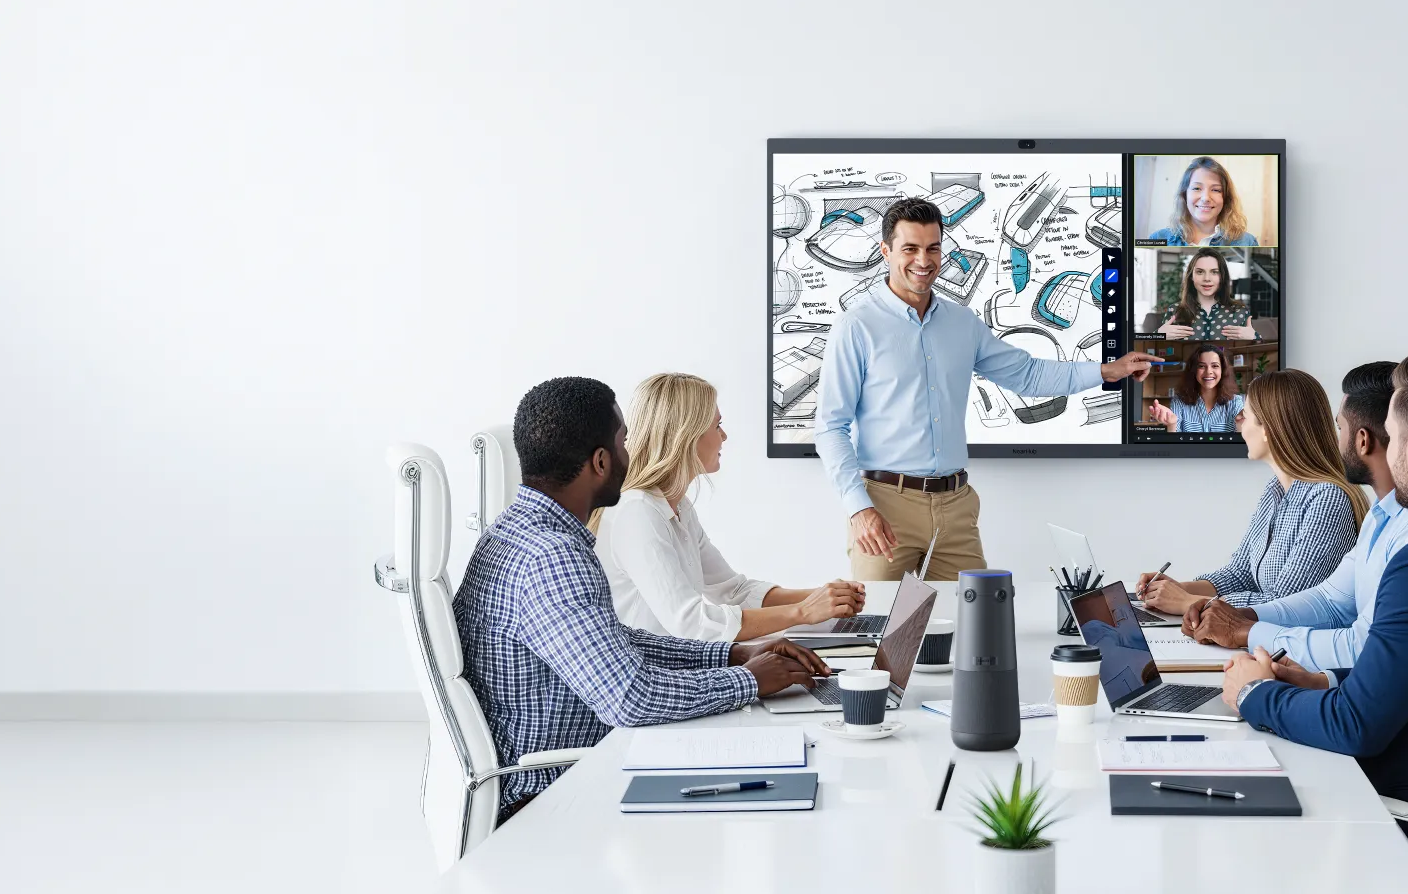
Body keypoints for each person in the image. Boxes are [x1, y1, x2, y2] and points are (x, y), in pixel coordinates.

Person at [454, 377, 832, 822]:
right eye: (624, 443)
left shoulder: (515, 533)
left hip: (567, 765)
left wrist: (730, 654)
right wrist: (748, 680)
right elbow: (629, 696)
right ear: (600, 461)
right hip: (556, 793)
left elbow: (616, 640)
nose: (631, 455)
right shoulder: (553, 558)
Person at [1220, 351, 1408, 878]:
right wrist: (1323, 678)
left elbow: (1356, 726)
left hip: (1405, 809)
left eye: (1393, 437)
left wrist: (1255, 693)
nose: (1386, 449)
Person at [817, 198, 1159, 581]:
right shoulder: (856, 326)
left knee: (972, 625)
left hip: (955, 509)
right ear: (886, 251)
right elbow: (831, 426)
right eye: (910, 249)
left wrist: (1106, 371)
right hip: (884, 506)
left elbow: (1027, 375)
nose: (923, 260)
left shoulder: (962, 323)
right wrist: (858, 508)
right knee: (880, 633)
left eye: (933, 248)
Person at [1180, 362, 1408, 670]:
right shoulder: (1379, 516)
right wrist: (1223, 611)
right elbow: (1328, 601)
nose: (1336, 440)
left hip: (1313, 665)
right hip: (1317, 670)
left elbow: (1359, 642)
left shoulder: (1340, 502)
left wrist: (1229, 621)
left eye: (1341, 428)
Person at [592, 373, 866, 641]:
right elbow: (692, 624)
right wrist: (803, 612)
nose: (724, 436)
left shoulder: (678, 508)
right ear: (687, 436)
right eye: (717, 425)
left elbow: (734, 591)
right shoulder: (636, 512)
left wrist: (824, 597)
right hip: (653, 674)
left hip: (678, 663)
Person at [1136, 369, 1367, 613]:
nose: (1240, 427)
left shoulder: (1328, 499)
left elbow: (1286, 603)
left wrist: (1187, 603)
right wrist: (1179, 590)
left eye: (1244, 417)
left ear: (1268, 429)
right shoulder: (1275, 490)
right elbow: (1241, 574)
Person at [1147, 156, 1260, 246]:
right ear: (1184, 194)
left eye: (1215, 190)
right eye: (1197, 188)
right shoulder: (1157, 238)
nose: (1205, 198)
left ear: (1226, 198)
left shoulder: (1248, 242)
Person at [1156, 249, 1256, 341]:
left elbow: (1260, 353)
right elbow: (1154, 350)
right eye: (1200, 272)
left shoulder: (1239, 311)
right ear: (1191, 276)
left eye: (1214, 272)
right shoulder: (1174, 311)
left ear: (1222, 277)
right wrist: (1159, 335)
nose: (1207, 278)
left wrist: (1254, 337)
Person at [1147, 344, 1244, 433]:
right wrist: (1171, 424)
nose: (1209, 371)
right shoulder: (1179, 401)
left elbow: (1241, 445)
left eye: (1215, 366)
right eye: (1201, 366)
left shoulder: (1235, 402)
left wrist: (1242, 425)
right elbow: (1174, 447)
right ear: (1193, 370)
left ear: (1222, 371)